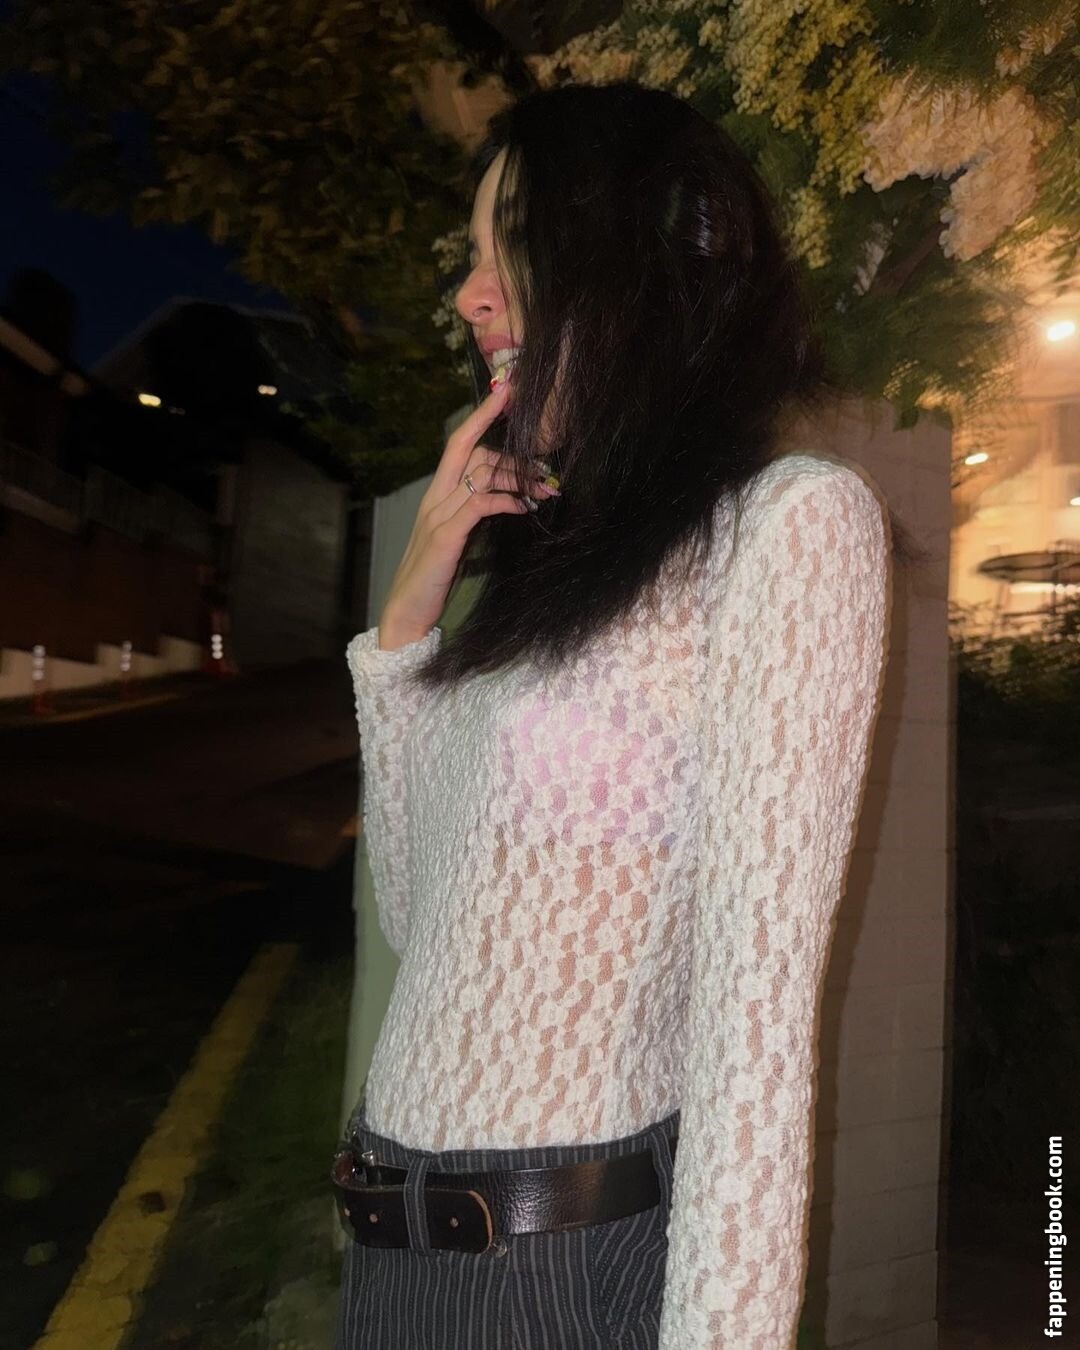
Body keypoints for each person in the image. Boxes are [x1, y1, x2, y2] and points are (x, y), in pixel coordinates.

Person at [334, 79, 906, 1350]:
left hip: (552, 1273)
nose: (471, 296)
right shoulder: (556, 563)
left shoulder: (789, 526)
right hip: (387, 1248)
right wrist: (409, 617)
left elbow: (755, 1037)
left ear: (638, 262)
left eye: (513, 246)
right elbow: (422, 920)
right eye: (472, 257)